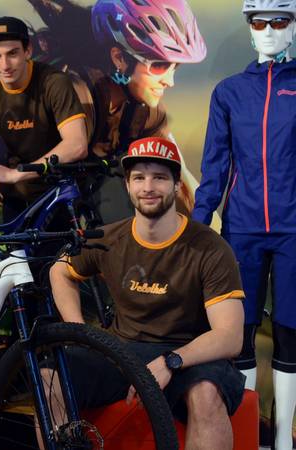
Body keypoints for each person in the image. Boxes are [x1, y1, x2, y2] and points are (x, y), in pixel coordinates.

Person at [50, 137, 246, 449]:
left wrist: (171, 361)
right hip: (123, 349)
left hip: (189, 354)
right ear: (128, 185)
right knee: (51, 378)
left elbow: (230, 337)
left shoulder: (210, 247)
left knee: (206, 393)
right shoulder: (109, 238)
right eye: (139, 178)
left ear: (176, 185)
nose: (148, 187)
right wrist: (81, 332)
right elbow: (59, 270)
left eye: (159, 178)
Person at [192, 1, 296, 448]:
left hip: (294, 231)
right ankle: (249, 437)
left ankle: (285, 441)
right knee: (240, 333)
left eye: (279, 21)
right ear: (249, 28)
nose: (269, 30)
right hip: (242, 230)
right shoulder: (229, 92)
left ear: (293, 26)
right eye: (259, 22)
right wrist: (197, 227)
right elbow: (215, 166)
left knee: (290, 333)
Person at [86, 0, 207, 223]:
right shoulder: (79, 94)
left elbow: (184, 184)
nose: (170, 81)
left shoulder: (149, 112)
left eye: (175, 66)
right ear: (119, 58)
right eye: (159, 65)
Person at [0, 16, 88, 221]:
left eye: (12, 53)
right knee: (14, 241)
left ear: (28, 51)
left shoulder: (54, 82)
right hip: (15, 193)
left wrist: (15, 175)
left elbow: (77, 145)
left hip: (61, 188)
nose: (4, 65)